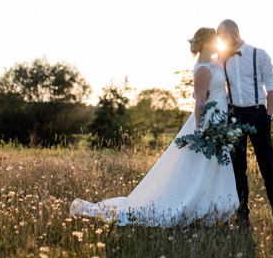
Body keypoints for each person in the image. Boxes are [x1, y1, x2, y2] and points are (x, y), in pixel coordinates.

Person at [68, 27, 238, 226]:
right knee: (201, 167)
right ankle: (193, 207)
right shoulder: (202, 68)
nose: (219, 43)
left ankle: (214, 208)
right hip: (208, 121)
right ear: (208, 43)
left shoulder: (214, 62)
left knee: (215, 165)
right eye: (216, 40)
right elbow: (199, 101)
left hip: (220, 118)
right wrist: (200, 129)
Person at [217, 19, 273, 227]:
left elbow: (272, 88)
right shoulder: (221, 58)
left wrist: (269, 117)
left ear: (234, 34)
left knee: (268, 169)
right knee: (238, 170)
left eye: (223, 38)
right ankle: (243, 216)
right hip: (234, 116)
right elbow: (206, 70)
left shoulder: (260, 55)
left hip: (259, 115)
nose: (221, 42)